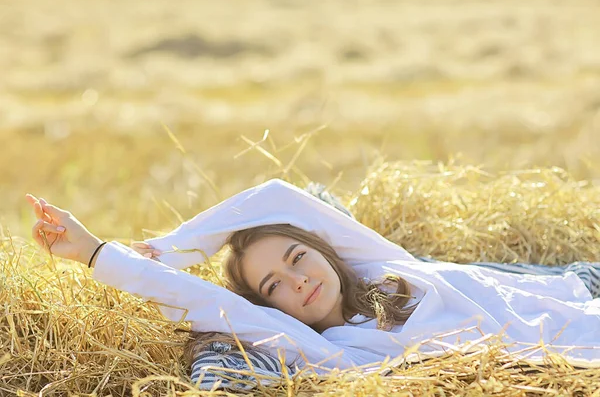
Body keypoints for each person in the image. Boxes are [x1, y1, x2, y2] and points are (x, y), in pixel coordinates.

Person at [26, 179, 600, 390]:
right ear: (267, 308)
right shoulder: (327, 351)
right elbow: (206, 302)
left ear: (325, 249)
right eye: (272, 284)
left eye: (299, 257)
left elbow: (276, 196)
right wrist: (99, 253)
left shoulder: (381, 267)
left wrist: (181, 245)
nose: (297, 281)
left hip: (575, 299)